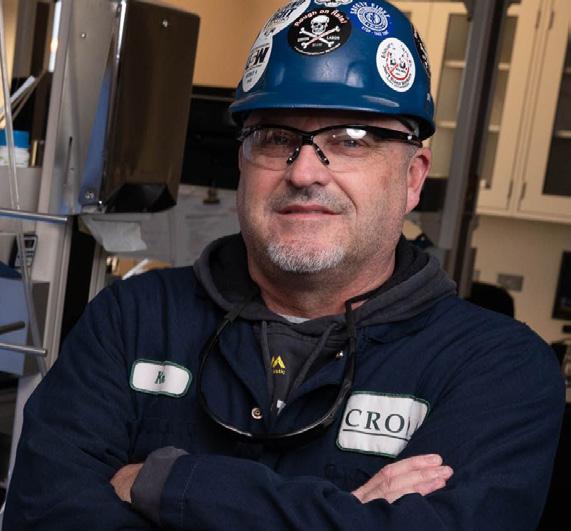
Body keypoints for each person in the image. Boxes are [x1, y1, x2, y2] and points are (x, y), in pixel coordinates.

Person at [4, 1, 564, 529]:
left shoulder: (497, 369)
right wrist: (345, 516)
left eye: (350, 140)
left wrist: (168, 483)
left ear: (413, 177)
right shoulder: (133, 321)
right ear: (243, 163)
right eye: (276, 138)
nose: (303, 172)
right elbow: (42, 514)